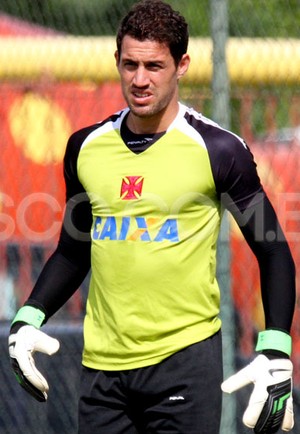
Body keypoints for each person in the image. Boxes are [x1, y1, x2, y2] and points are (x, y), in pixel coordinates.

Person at [8, 1, 296, 433]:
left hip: (184, 366)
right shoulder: (85, 148)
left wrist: (275, 349)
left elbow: (273, 251)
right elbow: (73, 250)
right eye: (130, 64)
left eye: (154, 66)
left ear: (182, 65)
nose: (140, 79)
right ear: (117, 62)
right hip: (102, 370)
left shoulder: (219, 150)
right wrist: (29, 316)